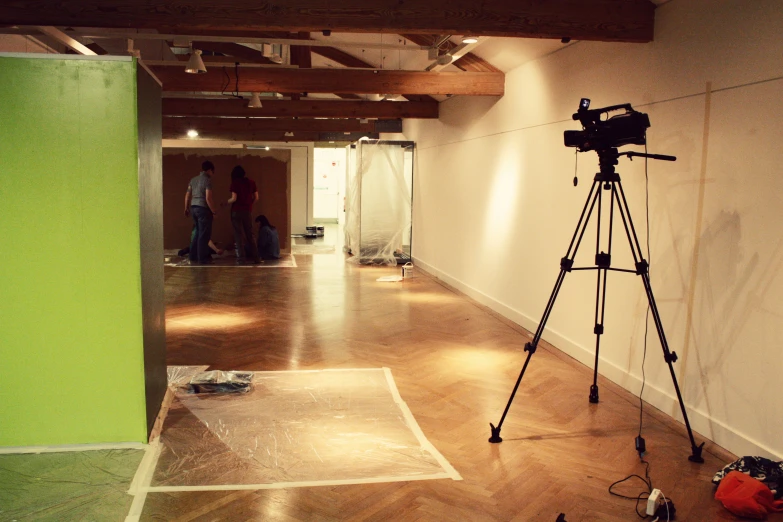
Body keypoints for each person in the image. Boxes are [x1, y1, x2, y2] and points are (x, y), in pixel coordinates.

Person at [225, 165, 261, 264]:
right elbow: (256, 198)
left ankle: (241, 259)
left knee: (238, 235)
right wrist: (250, 205)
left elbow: (234, 198)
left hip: (236, 211)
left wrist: (226, 202)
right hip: (247, 211)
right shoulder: (251, 182)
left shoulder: (235, 183)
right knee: (250, 234)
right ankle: (256, 258)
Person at [184, 160, 218, 264]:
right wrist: (214, 211)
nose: (213, 174)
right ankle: (202, 258)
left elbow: (187, 195)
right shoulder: (207, 181)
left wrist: (186, 208)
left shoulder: (193, 180)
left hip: (193, 208)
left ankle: (193, 256)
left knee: (198, 232)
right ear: (209, 170)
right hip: (203, 209)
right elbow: (208, 198)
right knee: (204, 234)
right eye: (213, 171)